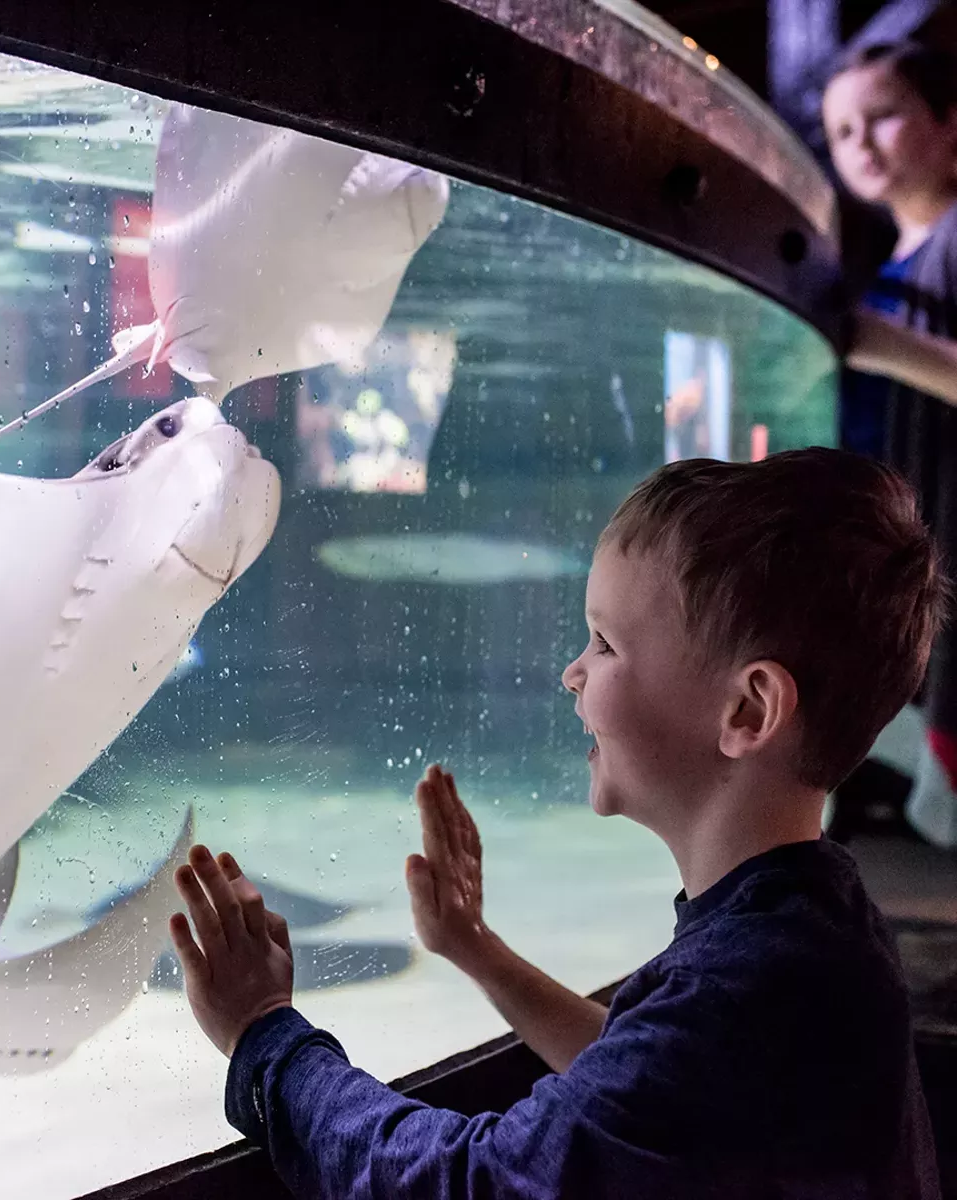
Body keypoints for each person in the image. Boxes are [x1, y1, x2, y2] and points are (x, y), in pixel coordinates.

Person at [168, 448, 946, 1199]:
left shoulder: (744, 994)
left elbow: (469, 1184)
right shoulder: (814, 926)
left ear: (748, 710)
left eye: (605, 644)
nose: (572, 672)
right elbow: (643, 1095)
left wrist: (265, 1037)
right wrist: (475, 949)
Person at [824, 41, 957, 846]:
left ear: (949, 123)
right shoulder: (887, 269)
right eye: (841, 131)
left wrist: (876, 342)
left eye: (883, 116)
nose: (861, 143)